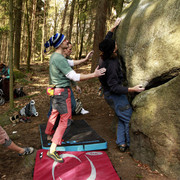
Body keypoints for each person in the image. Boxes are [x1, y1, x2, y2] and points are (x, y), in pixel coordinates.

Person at [44, 33, 106, 163]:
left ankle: (49, 134)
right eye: (65, 40)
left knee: (54, 114)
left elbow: (71, 62)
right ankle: (52, 150)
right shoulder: (59, 58)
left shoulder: (56, 56)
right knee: (65, 120)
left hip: (55, 92)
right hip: (62, 92)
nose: (67, 42)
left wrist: (85, 59)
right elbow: (74, 76)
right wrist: (94, 74)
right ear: (60, 44)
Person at [98, 18, 145, 152]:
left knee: (121, 117)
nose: (116, 44)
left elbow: (106, 41)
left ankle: (121, 143)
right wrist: (132, 89)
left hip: (109, 95)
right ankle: (130, 144)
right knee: (128, 117)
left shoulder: (103, 56)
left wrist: (113, 28)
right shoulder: (111, 65)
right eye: (115, 45)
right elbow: (114, 86)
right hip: (115, 95)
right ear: (113, 50)